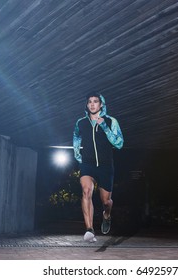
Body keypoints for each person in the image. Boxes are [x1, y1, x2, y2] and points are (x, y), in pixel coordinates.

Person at [73, 93, 124, 242]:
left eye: (95, 101)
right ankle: (89, 230)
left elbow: (119, 144)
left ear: (101, 104)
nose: (92, 104)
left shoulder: (110, 121)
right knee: (86, 191)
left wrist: (104, 127)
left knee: (106, 201)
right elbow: (76, 136)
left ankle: (106, 215)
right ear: (87, 105)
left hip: (105, 166)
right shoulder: (81, 122)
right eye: (89, 102)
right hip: (87, 164)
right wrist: (77, 153)